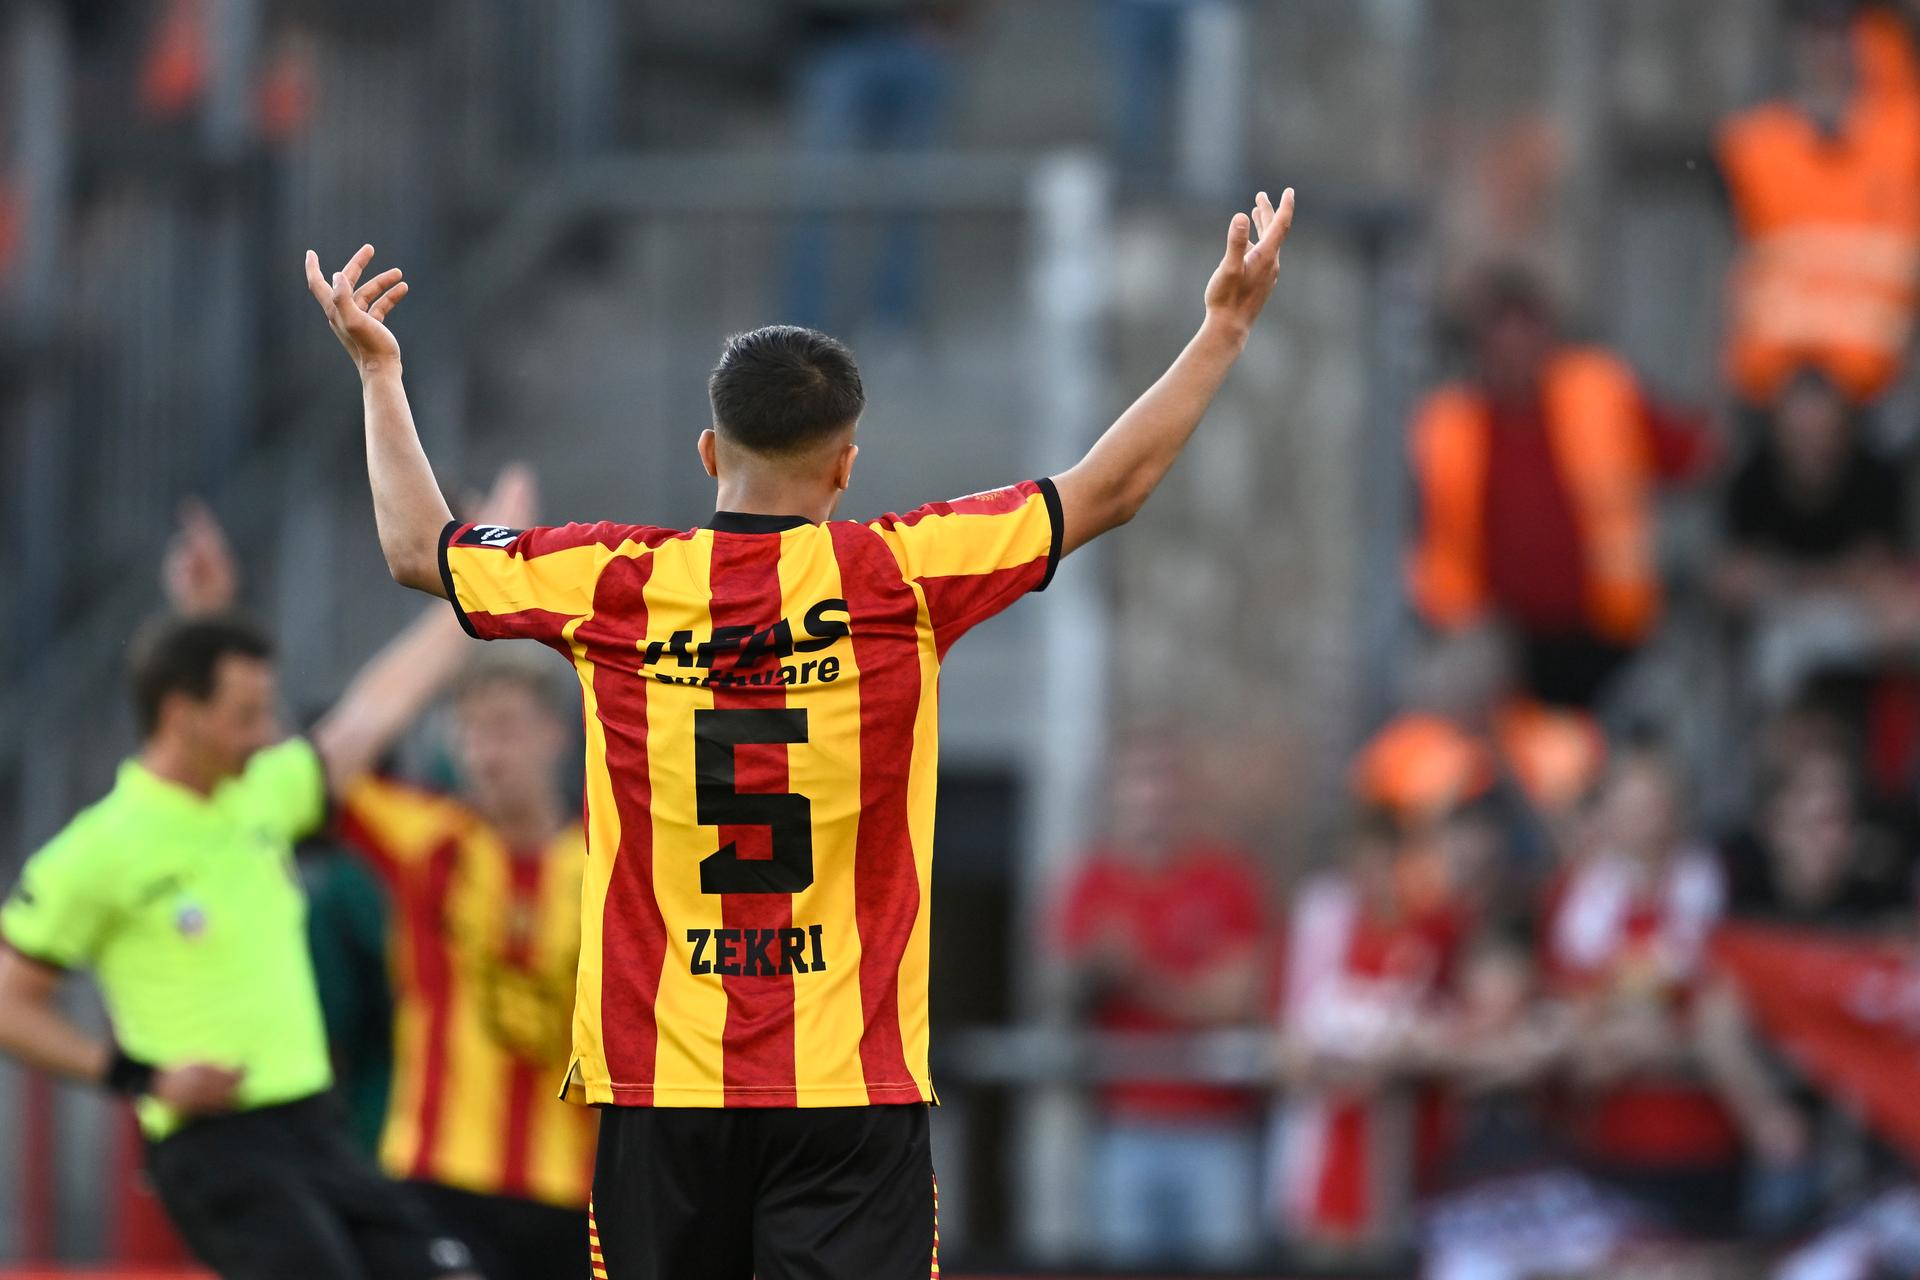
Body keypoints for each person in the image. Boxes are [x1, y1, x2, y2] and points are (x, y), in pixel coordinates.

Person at [304, 183, 1297, 1279]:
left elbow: (416, 545)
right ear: (846, 464)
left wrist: (380, 372)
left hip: (661, 1082)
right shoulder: (903, 574)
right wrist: (1223, 328)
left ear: (705, 450)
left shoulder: (615, 581)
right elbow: (1109, 487)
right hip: (847, 1085)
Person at [0, 471, 538, 1280]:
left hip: (314, 1131)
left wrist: (479, 571)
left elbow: (383, 700)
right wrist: (135, 1076)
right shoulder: (98, 848)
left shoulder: (259, 794)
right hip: (215, 1146)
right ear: (181, 718)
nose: (267, 734)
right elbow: (10, 1001)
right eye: (248, 717)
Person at [174, 500, 601, 1279]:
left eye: (503, 727)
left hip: (575, 1192)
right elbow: (294, 766)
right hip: (437, 1180)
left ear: (555, 734)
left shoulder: (609, 863)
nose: (483, 753)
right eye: (468, 731)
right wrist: (212, 619)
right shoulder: (427, 839)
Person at [1405, 269, 1700, 708]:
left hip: (1612, 635)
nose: (1514, 355)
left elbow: (1694, 455)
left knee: (1664, 704)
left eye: (1525, 336)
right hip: (1496, 642)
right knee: (1444, 695)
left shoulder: (1602, 394)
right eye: (1499, 340)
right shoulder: (1444, 426)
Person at [1055, 737, 1268, 1268]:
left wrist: (1140, 976)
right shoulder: (1093, 882)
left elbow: (1236, 1000)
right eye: (1138, 790)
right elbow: (1060, 994)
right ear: (1117, 800)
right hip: (1124, 1126)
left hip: (1215, 1128)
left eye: (1162, 789)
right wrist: (1096, 976)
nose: (1151, 805)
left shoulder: (1225, 881)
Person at [1716, 0, 1920, 411]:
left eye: (1840, 32)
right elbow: (1728, 275)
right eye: (1817, 32)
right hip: (1773, 395)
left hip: (1881, 395)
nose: (1829, 48)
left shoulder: (1904, 138)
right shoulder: (1752, 146)